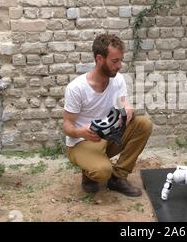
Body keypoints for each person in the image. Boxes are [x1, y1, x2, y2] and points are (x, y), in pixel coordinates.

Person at [62, 34, 152, 197]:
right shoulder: (76, 88)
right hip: (82, 141)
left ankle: (118, 178)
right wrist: (80, 132)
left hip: (109, 134)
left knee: (143, 124)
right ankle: (89, 172)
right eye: (115, 61)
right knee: (103, 171)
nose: (120, 65)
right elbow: (67, 125)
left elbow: (124, 103)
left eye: (120, 60)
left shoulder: (118, 80)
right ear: (99, 59)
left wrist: (127, 109)